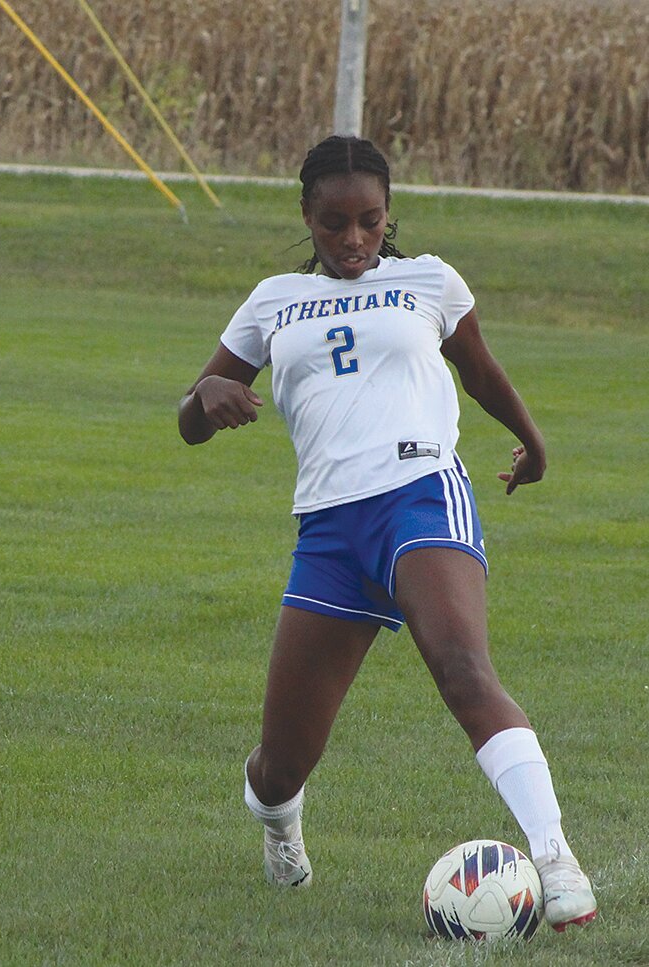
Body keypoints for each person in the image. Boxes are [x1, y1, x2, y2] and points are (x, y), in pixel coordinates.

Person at [176, 135, 597, 930]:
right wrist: (205, 393)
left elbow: (479, 371)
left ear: (387, 214)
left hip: (421, 497)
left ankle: (554, 856)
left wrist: (535, 445)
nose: (354, 241)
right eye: (334, 224)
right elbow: (192, 421)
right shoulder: (271, 300)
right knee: (280, 763)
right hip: (330, 532)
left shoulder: (428, 281)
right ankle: (279, 821)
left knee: (464, 668)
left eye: (370, 221)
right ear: (306, 216)